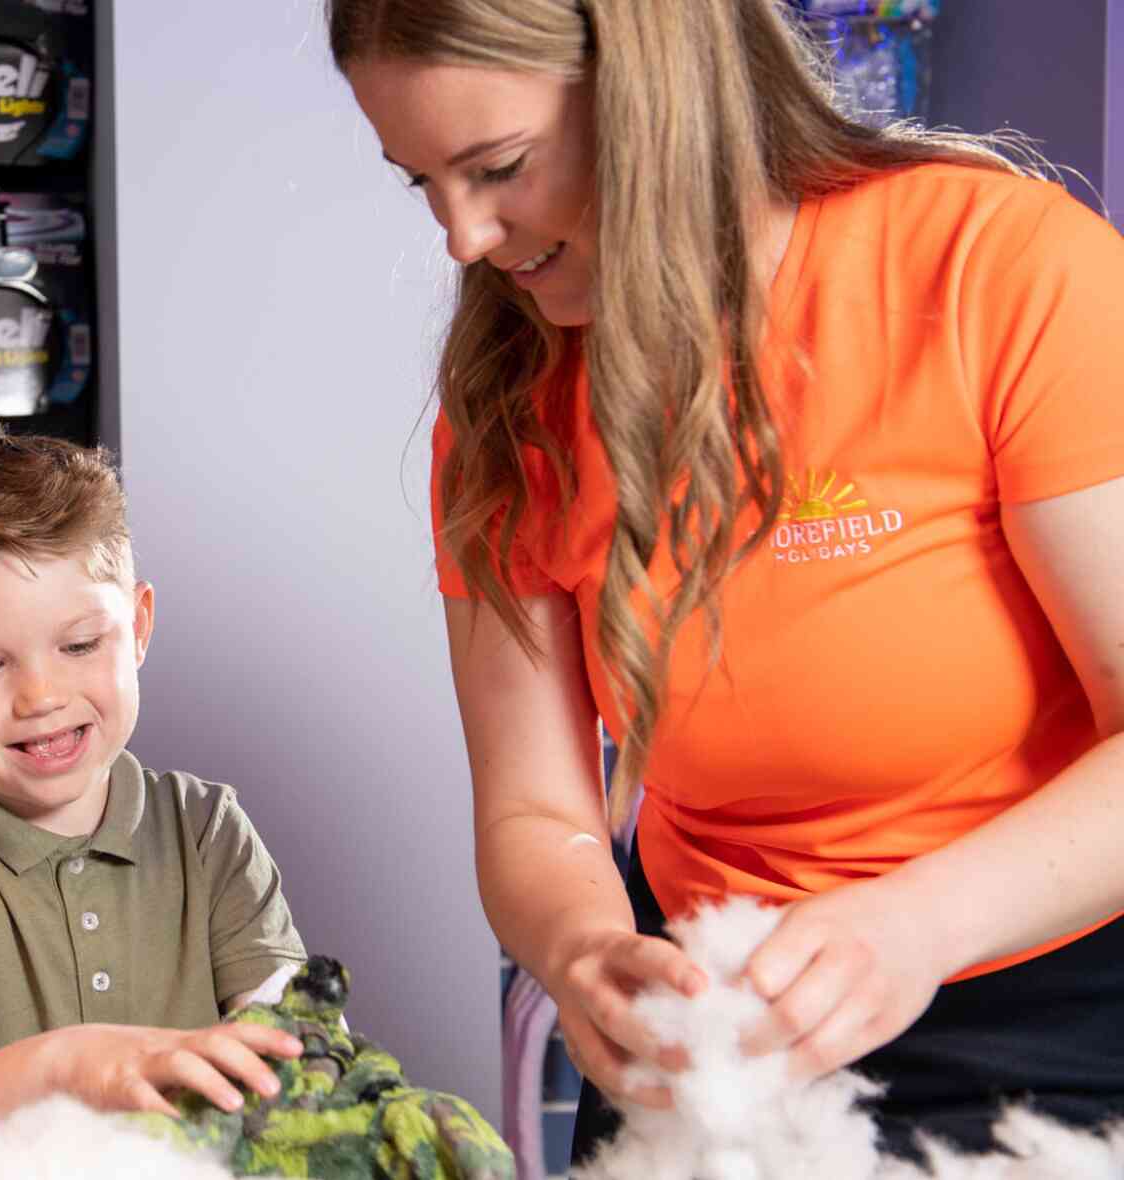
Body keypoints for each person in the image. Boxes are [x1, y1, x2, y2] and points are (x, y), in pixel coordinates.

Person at [328, 0, 1124, 1162]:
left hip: (1046, 1020)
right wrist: (587, 951)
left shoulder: (998, 269)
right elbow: (534, 807)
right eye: (419, 183)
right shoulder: (506, 395)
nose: (461, 236)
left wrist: (913, 925)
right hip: (715, 1032)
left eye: (496, 168)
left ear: (655, 93)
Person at [0, 431, 309, 1117]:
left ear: (138, 626)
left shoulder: (208, 835)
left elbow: (300, 1069)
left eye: (81, 644)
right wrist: (62, 1066)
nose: (42, 698)